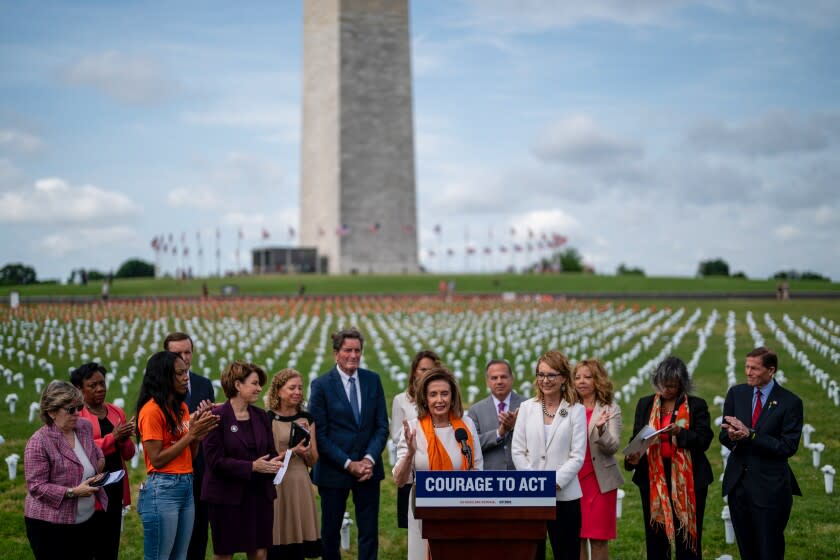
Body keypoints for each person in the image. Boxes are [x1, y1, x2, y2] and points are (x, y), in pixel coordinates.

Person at [308, 327, 389, 560]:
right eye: (347, 350)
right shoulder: (321, 385)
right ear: (336, 353)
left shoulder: (372, 380)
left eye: (357, 350)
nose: (353, 355)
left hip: (368, 470)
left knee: (369, 532)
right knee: (331, 533)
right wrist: (348, 463)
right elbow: (320, 434)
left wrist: (368, 459)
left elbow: (381, 425)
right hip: (334, 470)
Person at [624, 356, 713, 560]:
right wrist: (632, 459)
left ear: (682, 384)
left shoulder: (696, 405)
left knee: (687, 535)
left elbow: (704, 440)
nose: (667, 389)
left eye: (672, 385)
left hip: (688, 479)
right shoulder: (645, 404)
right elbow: (637, 437)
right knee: (656, 536)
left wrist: (680, 433)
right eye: (663, 384)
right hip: (654, 478)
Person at [393, 366, 483, 560]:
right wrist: (409, 453)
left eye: (444, 393)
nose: (439, 400)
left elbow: (477, 470)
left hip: (461, 510)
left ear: (452, 396)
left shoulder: (466, 425)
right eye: (433, 394)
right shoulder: (413, 428)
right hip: (424, 513)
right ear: (425, 398)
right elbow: (400, 480)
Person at [720, 347, 803, 560]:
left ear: (771, 370)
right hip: (738, 485)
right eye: (747, 366)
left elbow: (788, 446)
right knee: (747, 550)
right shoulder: (736, 393)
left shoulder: (790, 402)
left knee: (769, 550)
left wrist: (751, 435)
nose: (748, 372)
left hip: (770, 487)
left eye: (754, 368)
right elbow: (723, 436)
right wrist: (732, 435)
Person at [136, 351, 219, 560]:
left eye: (186, 372)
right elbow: (157, 459)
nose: (186, 377)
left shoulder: (181, 408)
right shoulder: (151, 411)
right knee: (159, 556)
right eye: (180, 373)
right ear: (164, 376)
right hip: (163, 488)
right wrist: (191, 434)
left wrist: (197, 436)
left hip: (186, 484)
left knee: (181, 555)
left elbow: (190, 455)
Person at [202, 361, 282, 560]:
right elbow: (215, 461)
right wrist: (252, 466)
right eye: (254, 383)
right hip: (226, 496)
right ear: (237, 385)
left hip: (259, 494)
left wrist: (277, 461)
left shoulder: (262, 416)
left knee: (259, 551)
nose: (259, 388)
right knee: (224, 553)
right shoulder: (215, 417)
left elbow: (269, 451)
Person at [512, 350, 587, 560]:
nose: (545, 380)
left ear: (563, 377)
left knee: (567, 553)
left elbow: (577, 455)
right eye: (541, 374)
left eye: (551, 375)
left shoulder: (576, 410)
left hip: (565, 495)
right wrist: (534, 482)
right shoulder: (527, 408)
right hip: (531, 494)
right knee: (533, 553)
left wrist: (554, 482)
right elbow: (518, 450)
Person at [24, 380, 106, 560]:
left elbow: (97, 454)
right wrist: (73, 492)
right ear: (52, 412)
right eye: (71, 410)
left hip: (86, 518)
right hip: (49, 524)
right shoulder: (39, 442)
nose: (77, 413)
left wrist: (97, 470)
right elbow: (36, 486)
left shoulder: (84, 427)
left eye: (79, 407)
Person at [71, 362, 137, 560]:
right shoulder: (76, 415)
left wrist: (124, 440)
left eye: (102, 383)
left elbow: (128, 454)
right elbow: (79, 451)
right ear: (79, 389)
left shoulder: (116, 412)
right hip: (89, 488)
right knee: (88, 547)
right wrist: (113, 438)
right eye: (92, 385)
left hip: (114, 486)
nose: (100, 389)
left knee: (110, 546)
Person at [164, 331, 216, 560]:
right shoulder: (158, 389)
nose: (184, 357)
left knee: (199, 534)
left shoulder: (204, 384)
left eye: (188, 352)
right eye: (177, 353)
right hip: (171, 470)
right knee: (173, 538)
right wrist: (195, 418)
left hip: (201, 469)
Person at [267, 368, 322, 560]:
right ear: (279, 391)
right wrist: (292, 452)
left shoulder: (307, 419)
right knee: (277, 540)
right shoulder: (267, 419)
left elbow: (313, 460)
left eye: (300, 388)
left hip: (300, 483)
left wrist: (306, 452)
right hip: (277, 483)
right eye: (292, 388)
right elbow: (267, 458)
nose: (297, 392)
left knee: (298, 548)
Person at [572, 359, 623, 560]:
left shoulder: (610, 409)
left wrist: (601, 431)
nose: (581, 381)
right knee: (576, 537)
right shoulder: (567, 408)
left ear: (598, 380)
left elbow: (613, 447)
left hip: (600, 481)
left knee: (599, 538)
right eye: (577, 377)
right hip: (574, 479)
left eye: (587, 376)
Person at [390, 349, 441, 529]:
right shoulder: (401, 400)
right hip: (413, 464)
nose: (426, 374)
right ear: (414, 372)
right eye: (422, 369)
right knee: (412, 522)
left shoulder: (441, 398)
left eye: (430, 370)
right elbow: (396, 434)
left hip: (438, 466)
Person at [466, 358, 524, 471]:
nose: (499, 381)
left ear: (512, 378)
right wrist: (499, 433)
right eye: (494, 378)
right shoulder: (475, 410)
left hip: (522, 476)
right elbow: (471, 445)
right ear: (487, 382)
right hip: (490, 476)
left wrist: (514, 427)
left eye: (503, 377)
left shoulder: (527, 405)